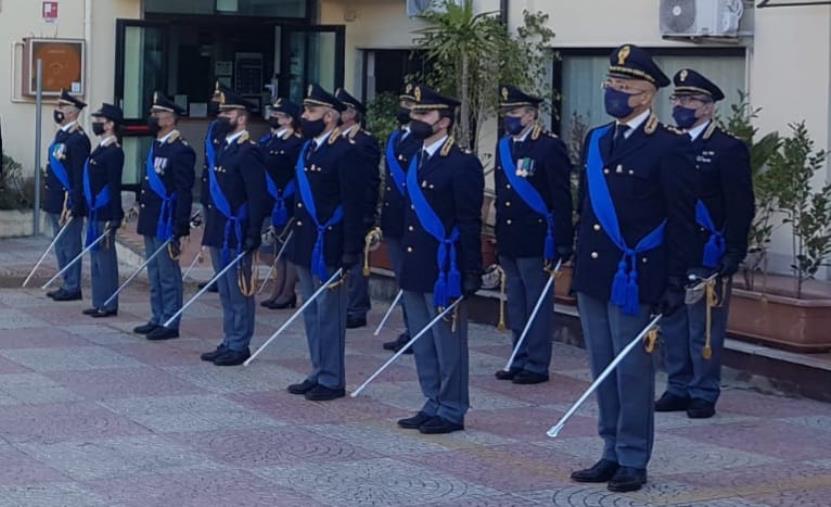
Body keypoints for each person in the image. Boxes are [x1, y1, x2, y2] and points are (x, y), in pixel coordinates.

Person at [569, 45, 697, 492]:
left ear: (647, 95)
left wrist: (676, 280)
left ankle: (632, 457)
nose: (614, 93)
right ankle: (609, 449)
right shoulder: (597, 139)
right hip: (596, 272)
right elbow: (584, 205)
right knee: (603, 366)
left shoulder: (669, 146)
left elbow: (682, 219)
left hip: (637, 274)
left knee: (632, 371)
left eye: (624, 87)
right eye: (611, 85)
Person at [656, 69, 755, 419]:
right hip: (670, 248)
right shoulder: (667, 144)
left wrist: (734, 250)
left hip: (706, 249)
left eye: (690, 100)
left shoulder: (726, 149)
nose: (682, 106)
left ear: (709, 108)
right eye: (678, 99)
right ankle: (678, 385)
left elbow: (741, 203)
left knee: (704, 327)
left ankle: (703, 390)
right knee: (673, 322)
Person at [395, 85, 484, 435]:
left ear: (444, 122)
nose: (417, 120)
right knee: (423, 338)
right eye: (415, 113)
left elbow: (468, 221)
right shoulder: (417, 158)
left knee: (448, 343)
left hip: (446, 266)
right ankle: (431, 400)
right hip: (417, 260)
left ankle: (452, 407)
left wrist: (471, 269)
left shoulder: (462, 164)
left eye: (425, 114)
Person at [285, 84, 365, 401]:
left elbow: (354, 203)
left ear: (330, 117)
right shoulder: (309, 149)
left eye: (311, 111)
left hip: (329, 243)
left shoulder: (346, 151)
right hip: (307, 241)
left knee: (329, 313)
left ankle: (332, 378)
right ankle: (317, 370)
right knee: (312, 312)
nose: (305, 117)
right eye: (305, 111)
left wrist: (350, 249)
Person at [493, 85, 574, 384]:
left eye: (514, 112)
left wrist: (564, 240)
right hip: (510, 237)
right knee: (515, 301)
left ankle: (537, 363)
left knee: (536, 303)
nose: (509, 118)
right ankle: (519, 356)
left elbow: (562, 197)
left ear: (530, 115)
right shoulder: (506, 145)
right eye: (506, 113)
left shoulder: (548, 146)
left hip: (537, 237)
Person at [198, 89, 269, 366]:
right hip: (220, 229)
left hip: (238, 231)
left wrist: (253, 232)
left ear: (241, 118)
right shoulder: (225, 148)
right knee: (226, 290)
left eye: (228, 113)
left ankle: (240, 343)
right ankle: (228, 339)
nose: (222, 117)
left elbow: (257, 196)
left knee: (239, 290)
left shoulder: (248, 151)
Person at [133, 93, 196, 341]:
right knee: (154, 271)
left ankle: (170, 320)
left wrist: (181, 224)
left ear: (170, 119)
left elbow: (183, 190)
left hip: (166, 219)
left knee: (167, 272)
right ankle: (156, 316)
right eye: (153, 113)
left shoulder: (180, 150)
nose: (153, 118)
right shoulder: (157, 144)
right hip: (151, 216)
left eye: (157, 114)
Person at [334, 88, 382, 330]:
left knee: (356, 260)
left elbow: (369, 180)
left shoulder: (364, 141)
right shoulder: (336, 140)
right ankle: (344, 304)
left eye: (341, 109)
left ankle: (357, 308)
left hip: (358, 208)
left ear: (352, 113)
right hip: (339, 209)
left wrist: (368, 213)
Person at [380, 84, 422, 354]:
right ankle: (410, 327)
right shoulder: (396, 138)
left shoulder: (419, 142)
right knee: (401, 277)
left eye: (409, 107)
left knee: (412, 277)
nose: (403, 110)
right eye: (403, 105)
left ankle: (417, 330)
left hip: (415, 220)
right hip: (394, 219)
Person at [44, 90, 91, 301]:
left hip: (67, 200)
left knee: (71, 244)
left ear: (72, 112)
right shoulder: (61, 135)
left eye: (61, 107)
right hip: (56, 198)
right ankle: (66, 281)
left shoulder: (79, 139)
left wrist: (74, 202)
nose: (58, 110)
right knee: (60, 243)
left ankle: (73, 285)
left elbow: (79, 175)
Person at [259, 97, 304, 310]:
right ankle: (277, 289)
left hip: (287, 200)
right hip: (272, 200)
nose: (273, 118)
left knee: (290, 249)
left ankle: (288, 292)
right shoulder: (270, 141)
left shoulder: (296, 143)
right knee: (276, 249)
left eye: (278, 115)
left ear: (289, 120)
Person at [82, 103, 125, 318]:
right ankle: (99, 301)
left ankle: (109, 304)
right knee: (96, 259)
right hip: (94, 211)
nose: (96, 123)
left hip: (105, 210)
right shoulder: (100, 149)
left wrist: (116, 216)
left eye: (100, 120)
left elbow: (114, 185)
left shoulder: (114, 152)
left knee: (106, 260)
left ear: (110, 125)